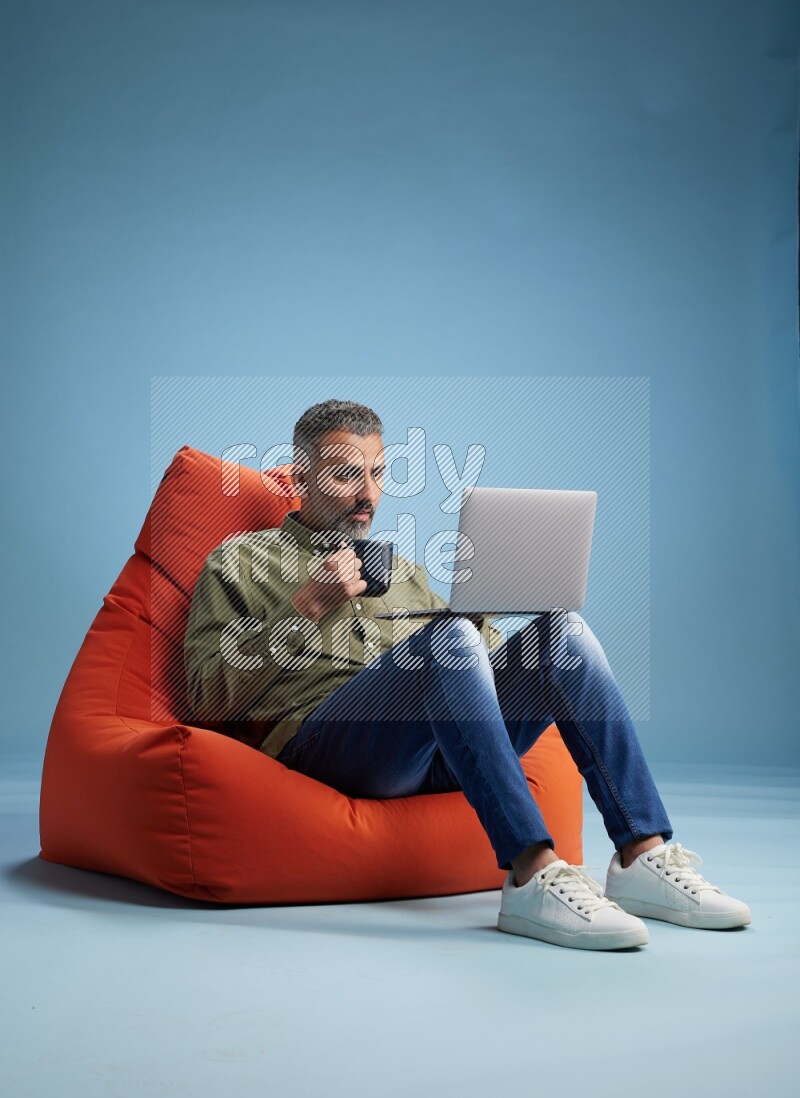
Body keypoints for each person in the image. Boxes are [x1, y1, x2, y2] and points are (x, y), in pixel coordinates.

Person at [184, 398, 751, 951]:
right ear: (301, 477)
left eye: (378, 475)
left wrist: (487, 615)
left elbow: (487, 667)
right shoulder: (239, 561)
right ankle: (531, 873)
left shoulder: (403, 571)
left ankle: (642, 855)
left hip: (442, 751)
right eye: (345, 476)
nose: (368, 496)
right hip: (328, 746)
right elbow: (205, 695)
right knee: (449, 640)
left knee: (564, 633)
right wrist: (306, 606)